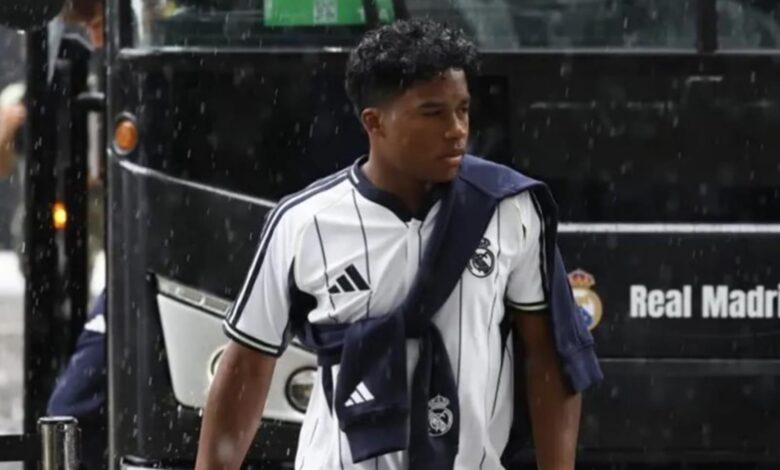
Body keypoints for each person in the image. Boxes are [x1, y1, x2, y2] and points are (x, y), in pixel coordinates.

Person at [196, 19, 602, 470]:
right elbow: (247, 366)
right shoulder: (302, 223)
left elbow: (549, 356)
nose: (457, 130)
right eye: (433, 113)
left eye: (463, 109)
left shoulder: (509, 207)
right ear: (375, 122)